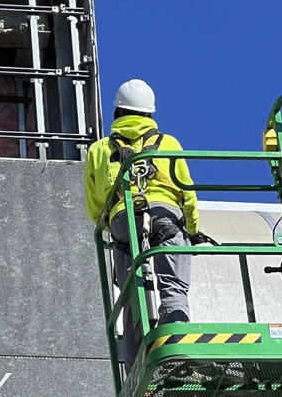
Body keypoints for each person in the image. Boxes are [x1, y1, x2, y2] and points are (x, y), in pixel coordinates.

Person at [84, 78, 205, 373]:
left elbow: (94, 207)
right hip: (166, 215)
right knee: (173, 285)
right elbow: (187, 194)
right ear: (149, 115)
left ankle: (135, 366)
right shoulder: (168, 143)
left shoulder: (100, 150)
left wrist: (115, 227)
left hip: (123, 222)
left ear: (117, 114)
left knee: (131, 295)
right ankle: (176, 352)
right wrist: (191, 229)